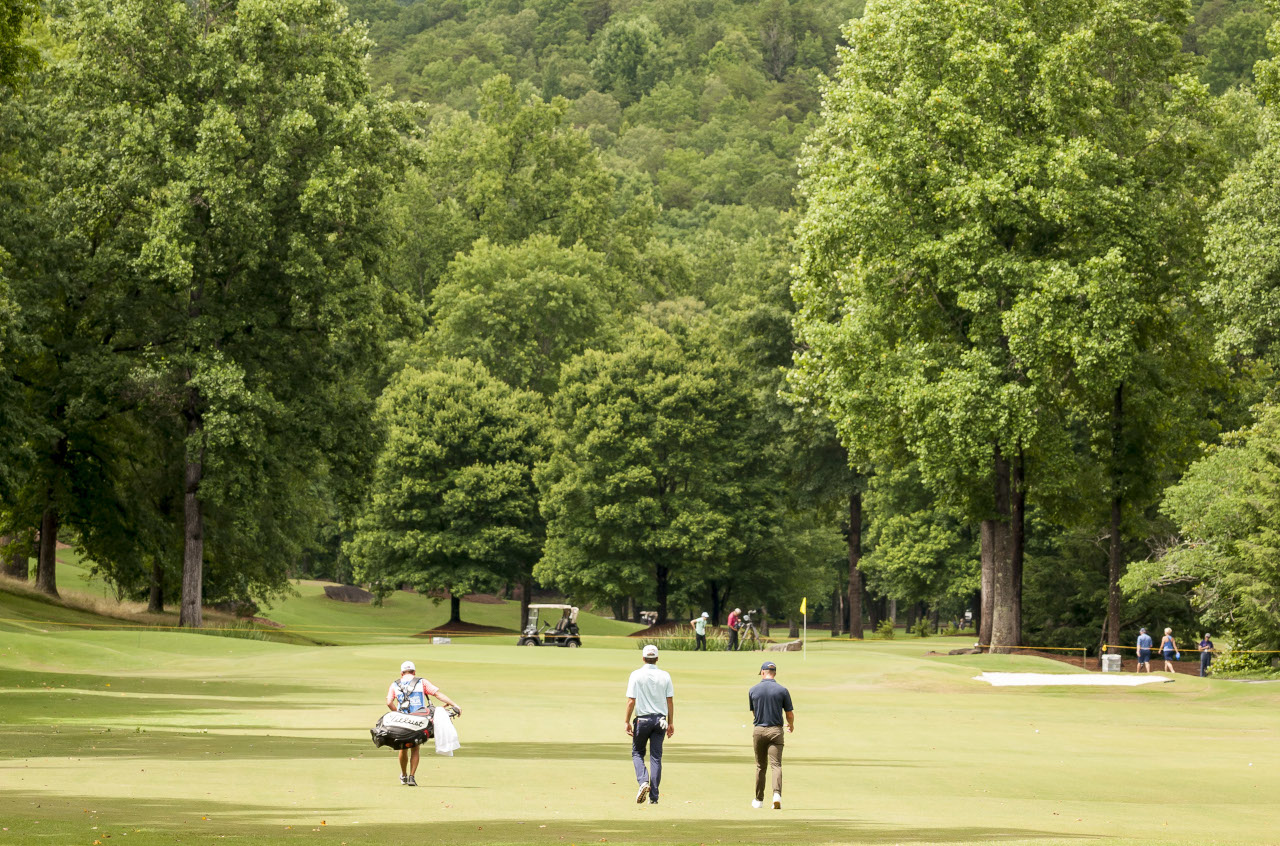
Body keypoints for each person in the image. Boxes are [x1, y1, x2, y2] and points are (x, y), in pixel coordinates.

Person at [386, 660, 462, 787]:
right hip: (419, 721)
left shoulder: (395, 684)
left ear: (401, 673)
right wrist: (455, 704)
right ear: (414, 672)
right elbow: (437, 694)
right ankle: (412, 777)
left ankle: (403, 775)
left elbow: (389, 702)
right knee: (415, 749)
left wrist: (397, 714)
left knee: (403, 748)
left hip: (402, 720)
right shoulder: (422, 682)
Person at [625, 644, 674, 805]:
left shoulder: (636, 675)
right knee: (656, 757)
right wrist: (671, 722)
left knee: (637, 753)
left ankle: (643, 781)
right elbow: (670, 701)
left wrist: (626, 721)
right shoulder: (665, 675)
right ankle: (654, 797)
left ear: (643, 658)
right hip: (660, 720)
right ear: (657, 658)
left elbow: (631, 701)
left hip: (643, 720)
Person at [748, 660, 794, 810]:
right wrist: (791, 725)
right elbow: (789, 713)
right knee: (776, 765)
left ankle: (758, 800)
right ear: (774, 673)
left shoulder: (753, 690)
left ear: (762, 672)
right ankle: (776, 795)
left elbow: (755, 713)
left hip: (759, 730)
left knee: (761, 766)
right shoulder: (782, 690)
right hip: (776, 731)